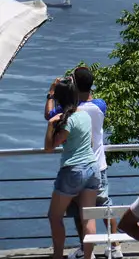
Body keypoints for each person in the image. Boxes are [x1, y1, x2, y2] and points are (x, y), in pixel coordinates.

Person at [45, 67, 123, 259]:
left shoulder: (67, 113)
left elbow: (49, 118)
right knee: (98, 210)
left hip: (73, 168)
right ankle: (112, 247)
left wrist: (51, 93)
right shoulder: (98, 107)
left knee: (60, 215)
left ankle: (70, 252)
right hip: (96, 167)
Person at [44, 77, 100, 259]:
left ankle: (58, 255)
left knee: (55, 216)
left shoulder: (66, 121)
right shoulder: (84, 115)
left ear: (59, 99)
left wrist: (51, 125)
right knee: (88, 217)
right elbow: (91, 143)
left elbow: (49, 147)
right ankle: (88, 257)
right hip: (92, 168)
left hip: (73, 170)